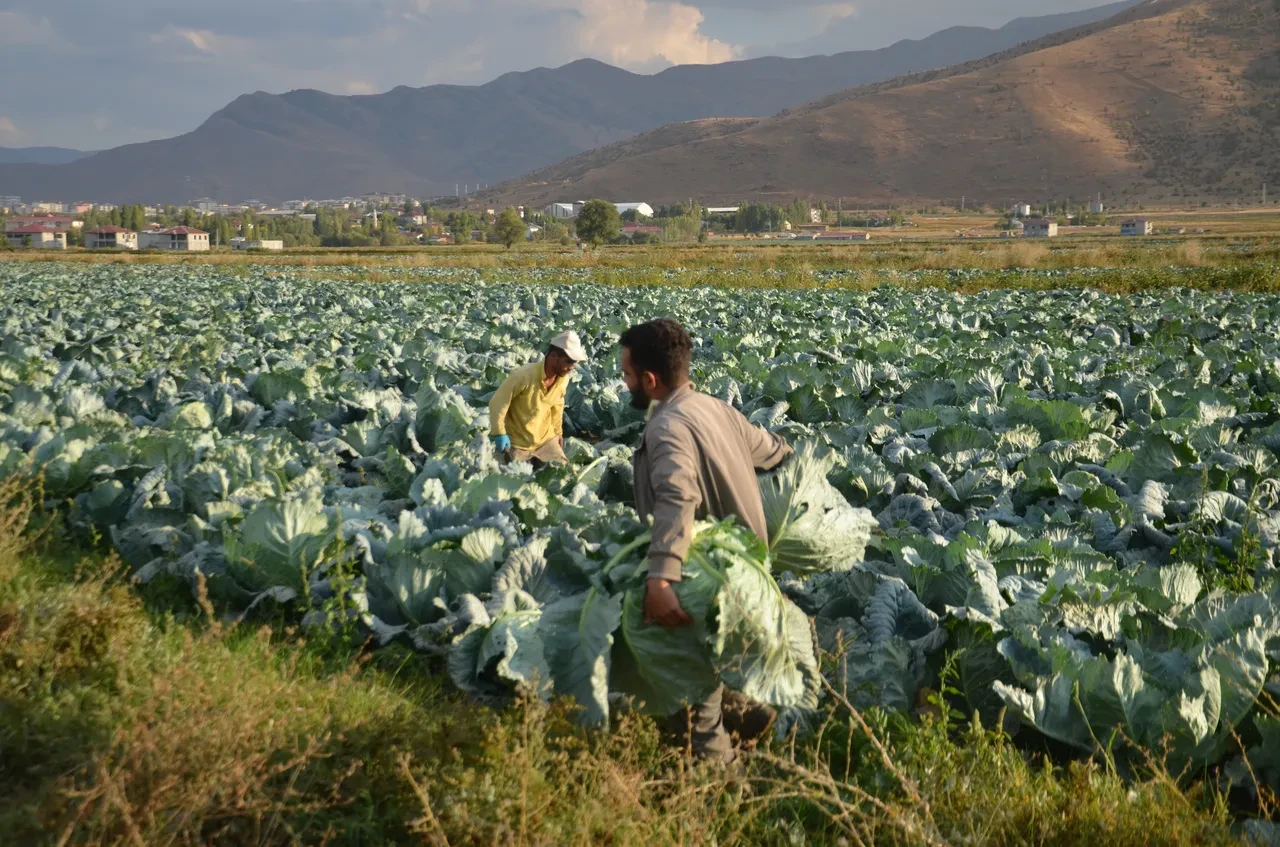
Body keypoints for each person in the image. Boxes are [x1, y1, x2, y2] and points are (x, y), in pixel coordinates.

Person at [619, 318, 793, 762]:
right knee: (722, 654)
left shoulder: (665, 429)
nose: (625, 384)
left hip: (706, 574)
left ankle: (721, 791)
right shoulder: (717, 409)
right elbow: (772, 450)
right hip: (746, 569)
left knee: (688, 693)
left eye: (627, 375)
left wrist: (661, 577)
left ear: (650, 379)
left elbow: (678, 496)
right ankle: (747, 712)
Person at [489, 330, 587, 465]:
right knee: (518, 481)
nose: (572, 367)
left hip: (546, 441)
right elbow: (498, 403)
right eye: (569, 361)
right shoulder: (522, 376)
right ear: (554, 356)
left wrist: (558, 432)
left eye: (574, 362)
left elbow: (557, 406)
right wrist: (499, 433)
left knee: (566, 477)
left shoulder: (563, 379)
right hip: (518, 443)